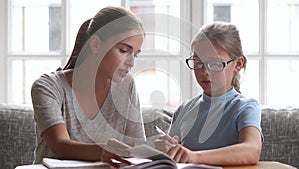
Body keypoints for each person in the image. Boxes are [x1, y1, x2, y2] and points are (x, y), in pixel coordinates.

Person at [31, 6, 146, 168]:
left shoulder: (127, 85)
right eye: (124, 50)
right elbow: (60, 145)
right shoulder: (48, 86)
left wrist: (159, 149)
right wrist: (102, 152)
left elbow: (136, 146)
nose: (131, 62)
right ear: (96, 45)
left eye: (136, 54)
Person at [154, 22, 263, 166]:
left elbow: (252, 150)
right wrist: (166, 149)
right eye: (198, 63)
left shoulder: (245, 107)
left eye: (216, 64)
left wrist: (194, 156)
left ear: (238, 64)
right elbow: (174, 156)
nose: (205, 72)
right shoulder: (185, 109)